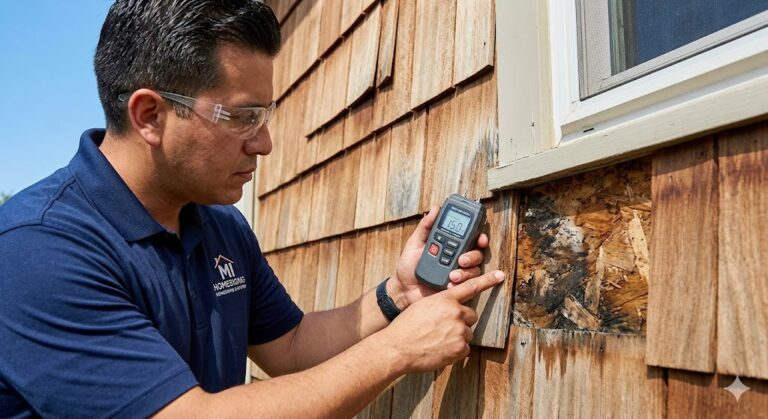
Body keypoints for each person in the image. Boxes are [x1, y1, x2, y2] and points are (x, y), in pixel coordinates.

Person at [0, 1, 505, 417]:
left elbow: (290, 345)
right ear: (150, 115)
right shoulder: (37, 250)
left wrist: (397, 295)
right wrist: (396, 351)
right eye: (242, 117)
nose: (264, 143)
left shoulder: (219, 224)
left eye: (264, 116)